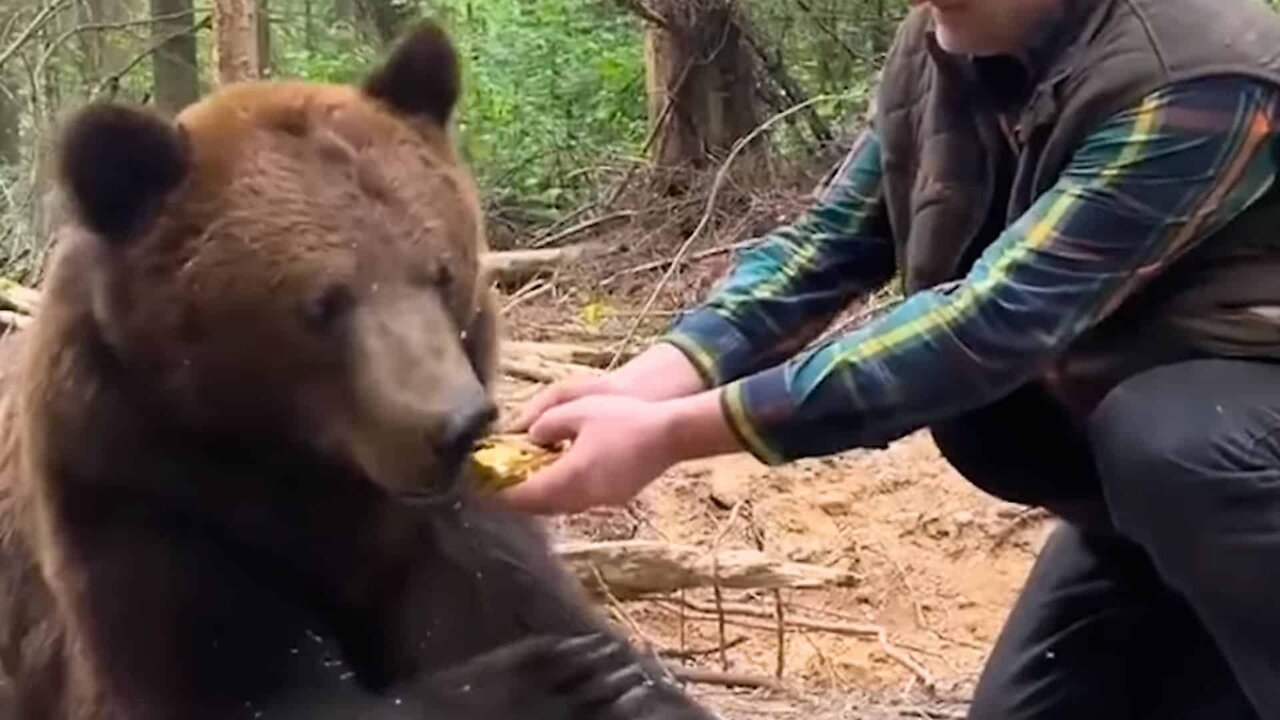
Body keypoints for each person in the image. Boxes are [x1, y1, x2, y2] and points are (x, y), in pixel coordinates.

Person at [502, 0, 1280, 716]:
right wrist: (646, 383)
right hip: (1157, 515)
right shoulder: (945, 43)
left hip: (1227, 468)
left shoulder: (1200, 74)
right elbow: (830, 243)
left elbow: (993, 324)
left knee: (1180, 442)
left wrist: (672, 435)